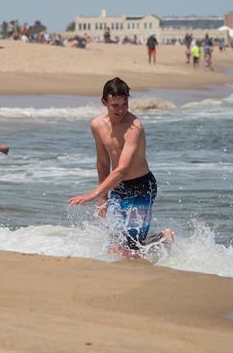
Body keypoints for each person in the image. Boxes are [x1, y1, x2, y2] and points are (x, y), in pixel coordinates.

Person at [69, 77, 173, 255]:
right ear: (104, 102)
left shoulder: (134, 127)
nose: (120, 110)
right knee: (115, 242)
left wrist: (92, 194)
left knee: (133, 249)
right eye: (115, 105)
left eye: (124, 104)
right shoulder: (97, 125)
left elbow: (123, 169)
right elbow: (103, 161)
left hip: (142, 188)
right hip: (117, 186)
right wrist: (103, 198)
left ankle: (164, 236)